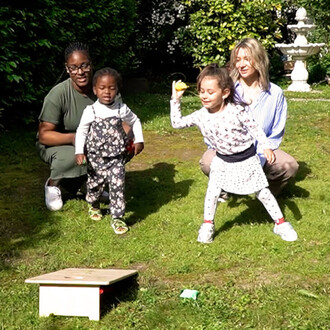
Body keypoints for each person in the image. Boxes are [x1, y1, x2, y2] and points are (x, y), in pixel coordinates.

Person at [170, 64, 298, 243]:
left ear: (225, 93)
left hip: (247, 160)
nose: (204, 96)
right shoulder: (200, 115)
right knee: (212, 193)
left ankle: (281, 224)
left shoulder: (237, 110)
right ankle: (208, 225)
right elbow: (177, 123)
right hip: (221, 162)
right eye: (201, 91)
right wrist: (175, 100)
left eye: (210, 92)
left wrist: (266, 146)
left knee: (263, 193)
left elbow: (255, 128)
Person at [36, 42, 133, 211]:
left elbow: (123, 121)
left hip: (95, 141)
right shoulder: (58, 94)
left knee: (120, 148)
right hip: (59, 143)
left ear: (91, 64)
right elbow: (44, 135)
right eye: (73, 68)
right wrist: (74, 139)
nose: (80, 72)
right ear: (67, 69)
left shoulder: (106, 87)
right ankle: (53, 184)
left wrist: (129, 138)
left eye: (84, 66)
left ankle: (90, 185)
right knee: (71, 157)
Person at [199, 38, 299, 197]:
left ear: (259, 59)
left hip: (259, 152)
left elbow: (276, 134)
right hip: (229, 151)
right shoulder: (226, 90)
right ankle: (226, 188)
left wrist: (257, 157)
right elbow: (208, 120)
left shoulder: (275, 93)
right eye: (238, 60)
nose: (241, 64)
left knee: (289, 165)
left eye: (247, 59)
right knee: (207, 160)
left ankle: (264, 194)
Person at [75, 67, 144, 234]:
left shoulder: (122, 109)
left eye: (112, 88)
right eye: (102, 88)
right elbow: (81, 131)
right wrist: (79, 151)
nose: (107, 92)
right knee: (95, 185)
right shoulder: (91, 111)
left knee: (118, 185)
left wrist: (139, 140)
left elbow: (135, 121)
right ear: (94, 90)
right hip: (95, 157)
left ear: (117, 89)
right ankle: (93, 204)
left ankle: (118, 217)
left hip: (117, 157)